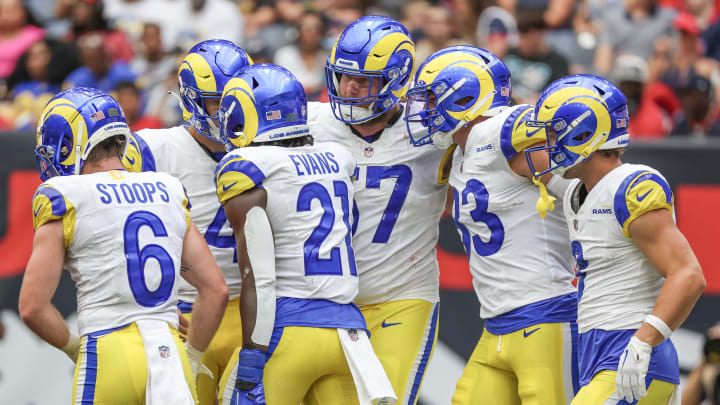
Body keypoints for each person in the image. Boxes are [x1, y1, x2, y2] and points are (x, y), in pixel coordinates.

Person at [18, 87, 228, 404]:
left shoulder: (64, 193)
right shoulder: (167, 187)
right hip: (170, 352)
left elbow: (32, 308)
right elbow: (216, 289)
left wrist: (74, 347)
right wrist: (194, 356)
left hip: (107, 353)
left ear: (70, 143)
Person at [405, 45, 578, 405]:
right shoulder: (461, 153)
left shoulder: (503, 130)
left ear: (464, 96)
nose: (425, 110)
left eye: (434, 98)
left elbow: (583, 186)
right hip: (497, 327)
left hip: (546, 316)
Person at [214, 63, 394, 405]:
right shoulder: (337, 159)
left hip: (288, 329)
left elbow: (259, 277)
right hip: (349, 335)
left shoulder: (250, 168)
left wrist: (253, 354)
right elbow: (350, 229)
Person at [524, 74, 706, 404]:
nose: (546, 141)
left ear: (582, 132)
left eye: (553, 131)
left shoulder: (630, 187)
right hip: (598, 354)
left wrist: (643, 341)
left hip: (630, 352)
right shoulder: (579, 191)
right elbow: (527, 159)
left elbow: (689, 275)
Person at [311, 15, 449, 404]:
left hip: (401, 297)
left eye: (364, 80)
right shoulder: (309, 124)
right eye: (343, 76)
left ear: (397, 80)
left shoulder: (435, 131)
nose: (349, 87)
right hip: (327, 301)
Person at [122, 39, 253, 405]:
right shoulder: (152, 149)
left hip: (252, 312)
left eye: (236, 100)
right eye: (217, 101)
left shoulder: (267, 148)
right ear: (192, 99)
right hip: (180, 314)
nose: (229, 113)